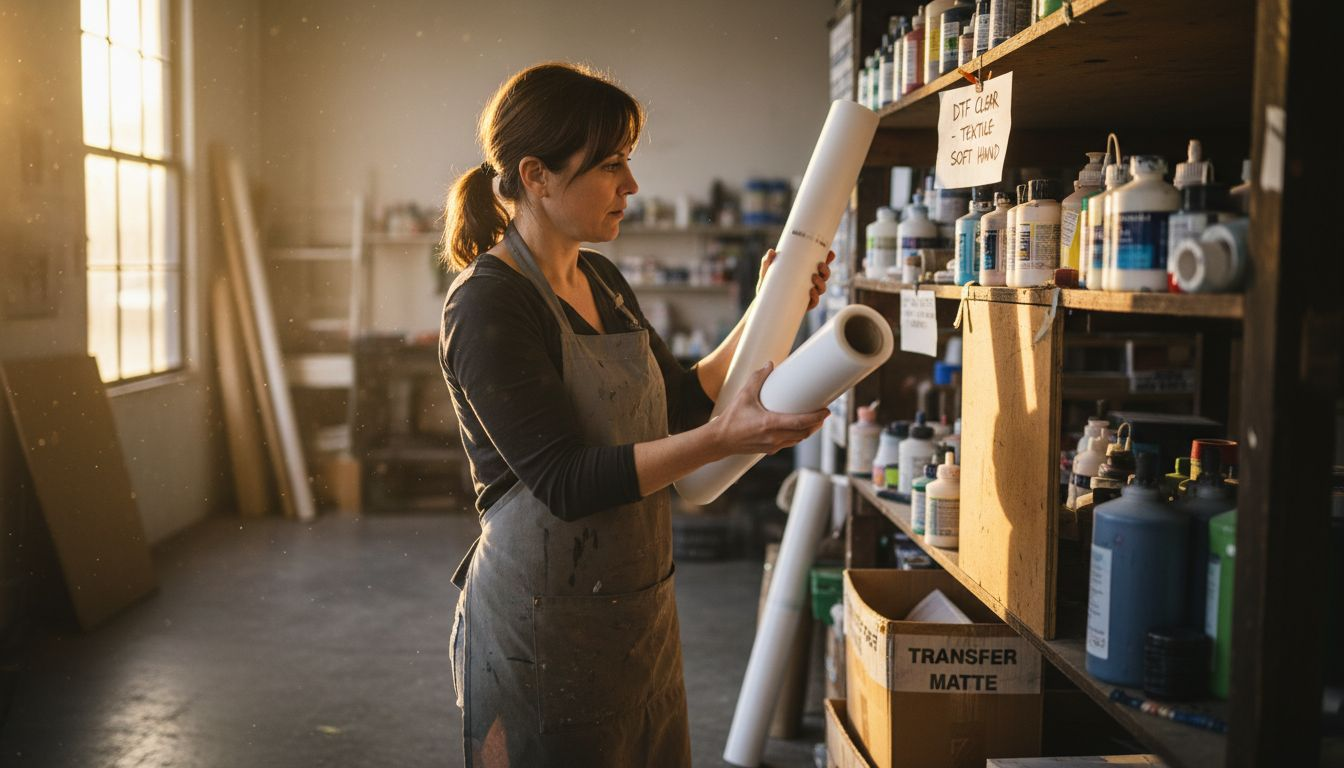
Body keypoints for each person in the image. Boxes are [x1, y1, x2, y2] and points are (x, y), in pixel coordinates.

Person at [439, 62, 831, 768]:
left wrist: (774, 304)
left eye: (628, 161)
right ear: (536, 176)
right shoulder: (487, 302)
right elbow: (565, 482)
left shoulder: (602, 279)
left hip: (635, 610)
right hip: (540, 626)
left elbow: (680, 400)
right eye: (610, 164)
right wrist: (723, 440)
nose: (632, 184)